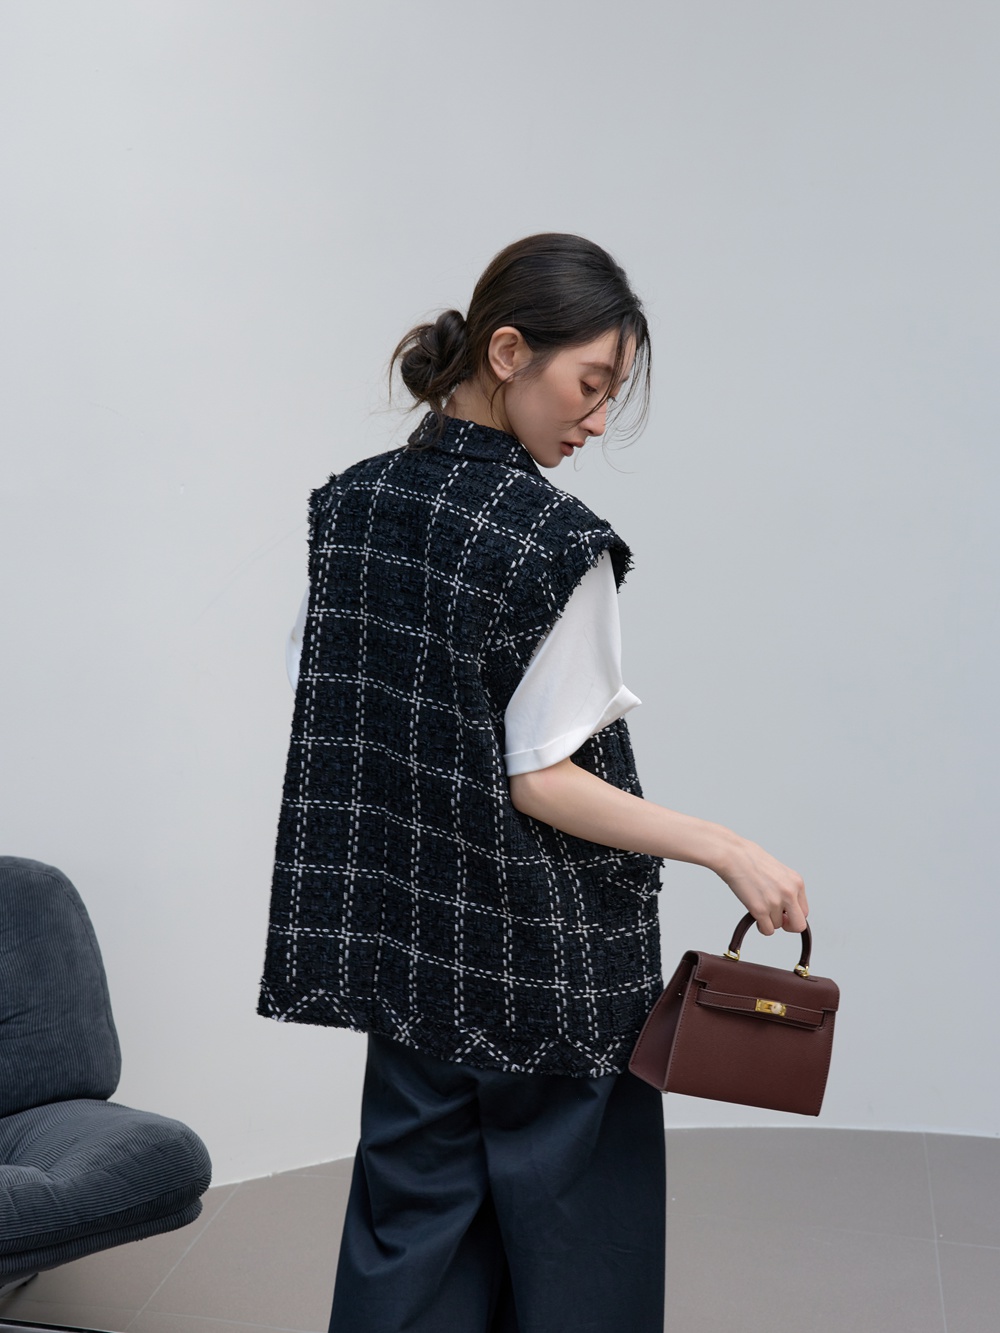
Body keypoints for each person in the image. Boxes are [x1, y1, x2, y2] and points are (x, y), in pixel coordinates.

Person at [260, 233, 808, 1333]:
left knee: (408, 1246)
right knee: (576, 1265)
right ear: (508, 352)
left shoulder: (350, 508)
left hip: (409, 953)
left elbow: (333, 701)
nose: (596, 420)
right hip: (552, 967)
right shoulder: (556, 539)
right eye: (590, 384)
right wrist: (726, 846)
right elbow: (540, 779)